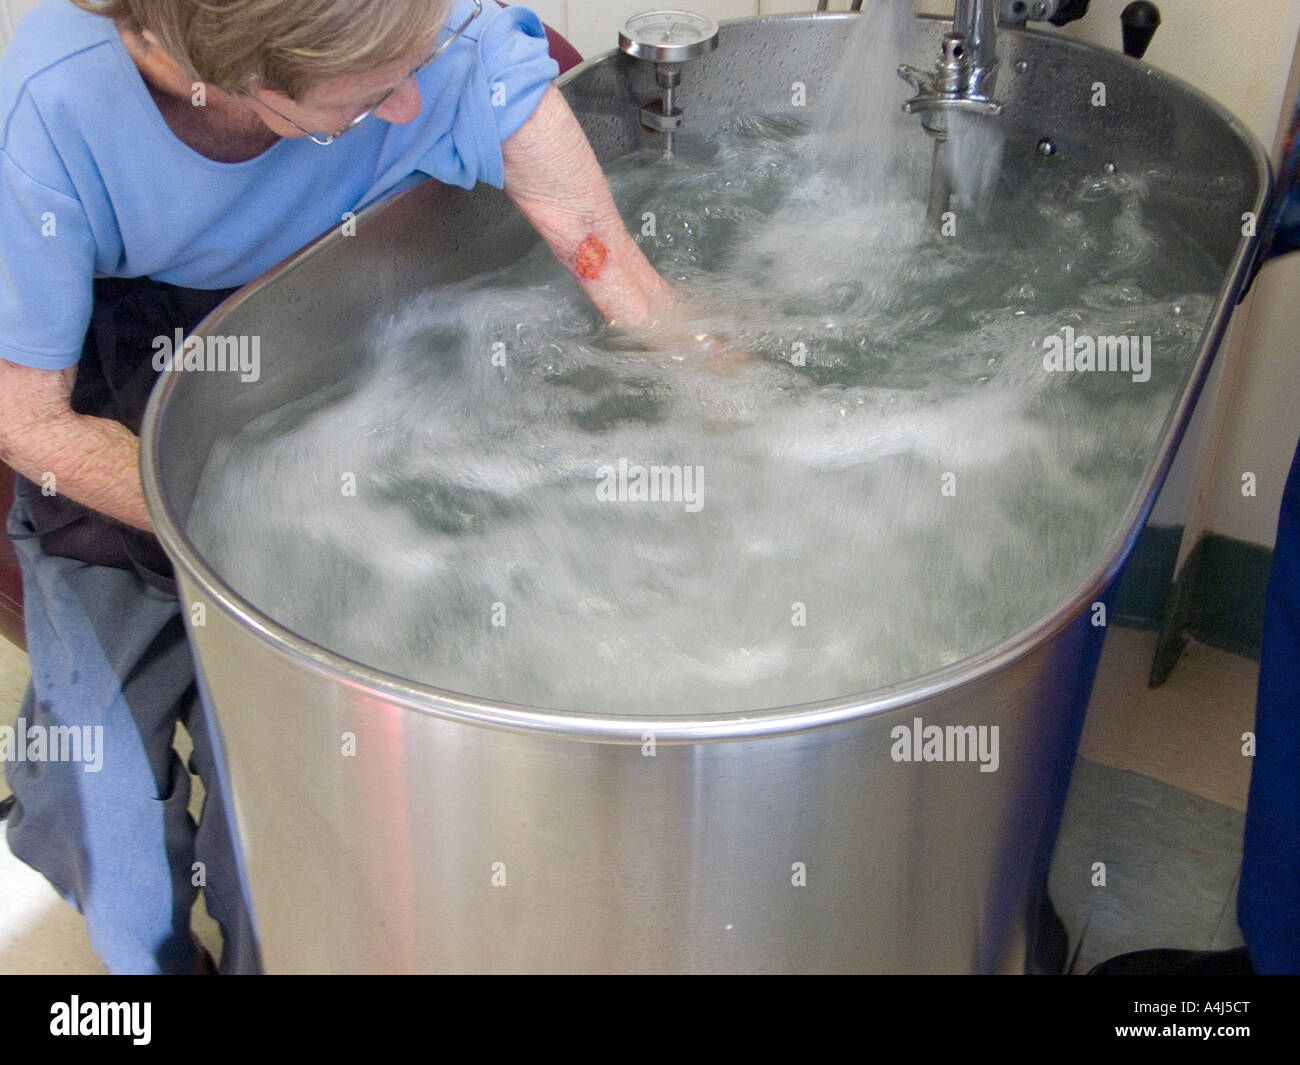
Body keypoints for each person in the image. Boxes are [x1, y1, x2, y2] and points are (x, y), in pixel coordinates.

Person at [0, 0, 680, 974]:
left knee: (291, 837)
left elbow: (617, 272)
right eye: (372, 92)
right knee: (96, 811)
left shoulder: (426, 26)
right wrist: (253, 516)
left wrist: (727, 392)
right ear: (248, 80)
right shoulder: (51, 106)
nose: (415, 99)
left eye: (421, 62)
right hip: (125, 409)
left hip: (357, 369)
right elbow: (27, 422)